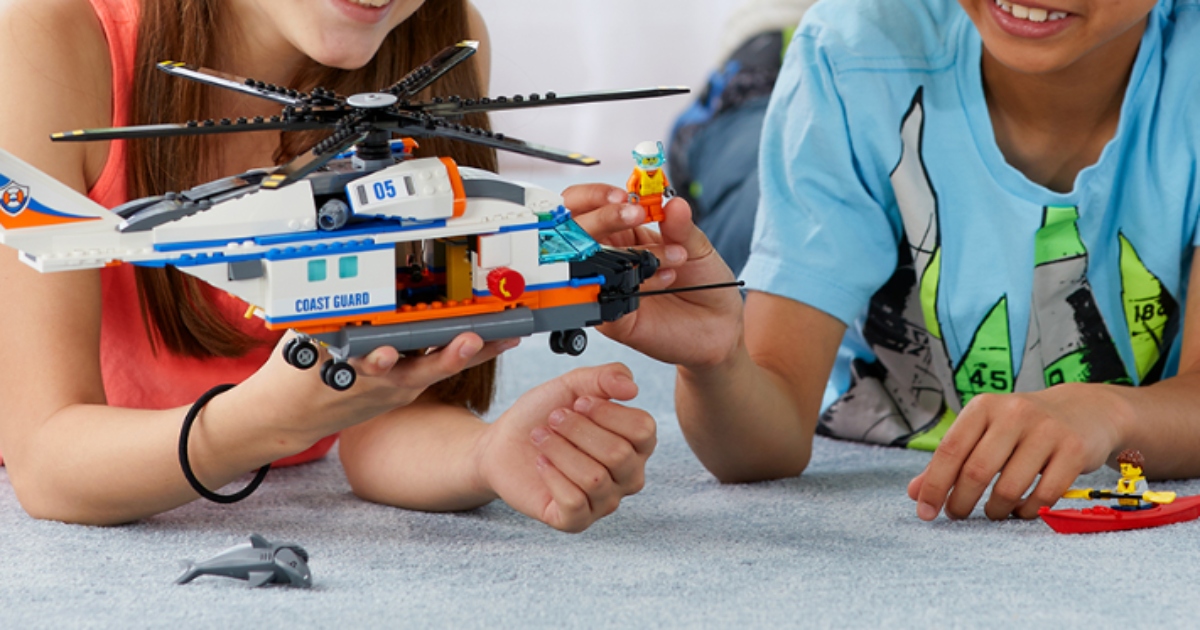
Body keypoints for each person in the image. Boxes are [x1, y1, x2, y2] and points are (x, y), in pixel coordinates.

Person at [0, 0, 655, 533]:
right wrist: (258, 424)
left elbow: (382, 412)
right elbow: (47, 465)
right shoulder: (51, 37)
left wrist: (487, 454)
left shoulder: (436, 35)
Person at [568, 0, 1200, 522]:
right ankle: (763, 47)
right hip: (827, 82)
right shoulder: (849, 55)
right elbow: (763, 442)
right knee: (736, 202)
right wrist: (719, 358)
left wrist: (1109, 412)